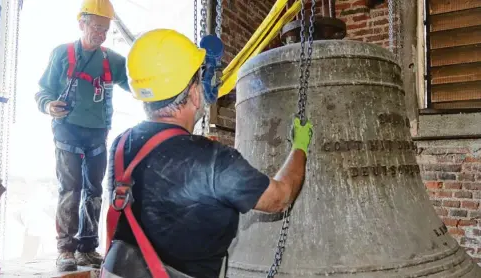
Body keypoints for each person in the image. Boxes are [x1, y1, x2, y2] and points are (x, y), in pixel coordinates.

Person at [100, 29, 313, 278]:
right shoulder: (215, 160)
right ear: (193, 93)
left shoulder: (121, 144)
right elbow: (280, 197)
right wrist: (300, 147)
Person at [33, 0, 130, 272]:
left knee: (94, 190)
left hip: (97, 134)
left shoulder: (112, 60)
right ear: (81, 23)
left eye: (105, 29)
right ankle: (66, 248)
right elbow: (42, 90)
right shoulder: (62, 54)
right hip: (67, 131)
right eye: (96, 27)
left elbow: (136, 81)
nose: (100, 34)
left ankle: (87, 248)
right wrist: (48, 105)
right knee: (70, 188)